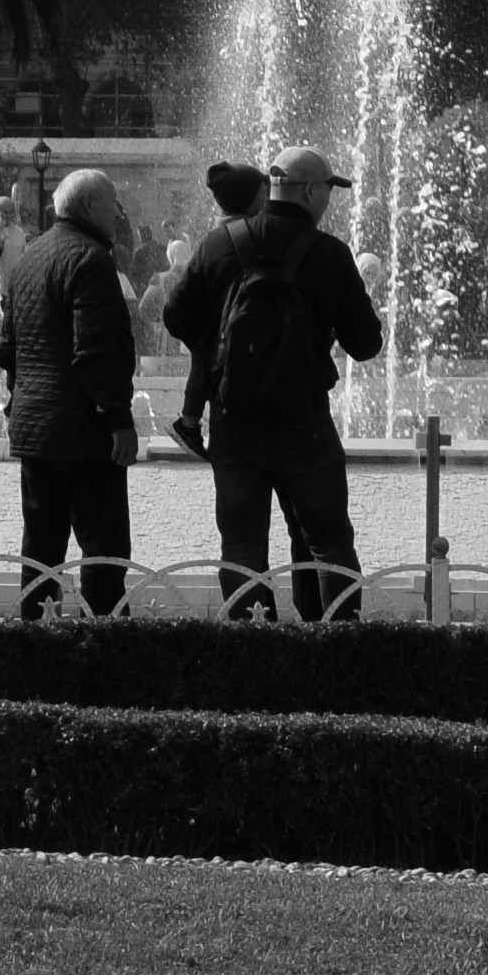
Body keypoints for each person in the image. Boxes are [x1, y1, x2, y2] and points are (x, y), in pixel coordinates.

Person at [162, 147, 389, 621]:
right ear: (309, 190)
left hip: (234, 424)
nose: (331, 196)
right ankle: (336, 653)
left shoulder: (219, 243)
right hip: (303, 424)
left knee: (242, 547)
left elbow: (175, 316)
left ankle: (253, 660)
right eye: (329, 187)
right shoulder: (329, 254)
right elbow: (366, 344)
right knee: (327, 541)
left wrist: (224, 345)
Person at [0, 168, 142, 619]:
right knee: (103, 553)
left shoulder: (29, 260)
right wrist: (118, 418)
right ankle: (107, 652)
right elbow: (93, 351)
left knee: (40, 551)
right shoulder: (91, 260)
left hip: (36, 430)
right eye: (113, 205)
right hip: (84, 432)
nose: (117, 216)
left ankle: (37, 646)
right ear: (92, 206)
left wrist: (20, 404)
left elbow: (6, 350)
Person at [163, 159, 264, 455]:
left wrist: (200, 339)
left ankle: (190, 423)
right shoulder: (247, 239)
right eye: (262, 191)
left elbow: (176, 309)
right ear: (250, 197)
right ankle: (189, 423)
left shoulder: (213, 240)